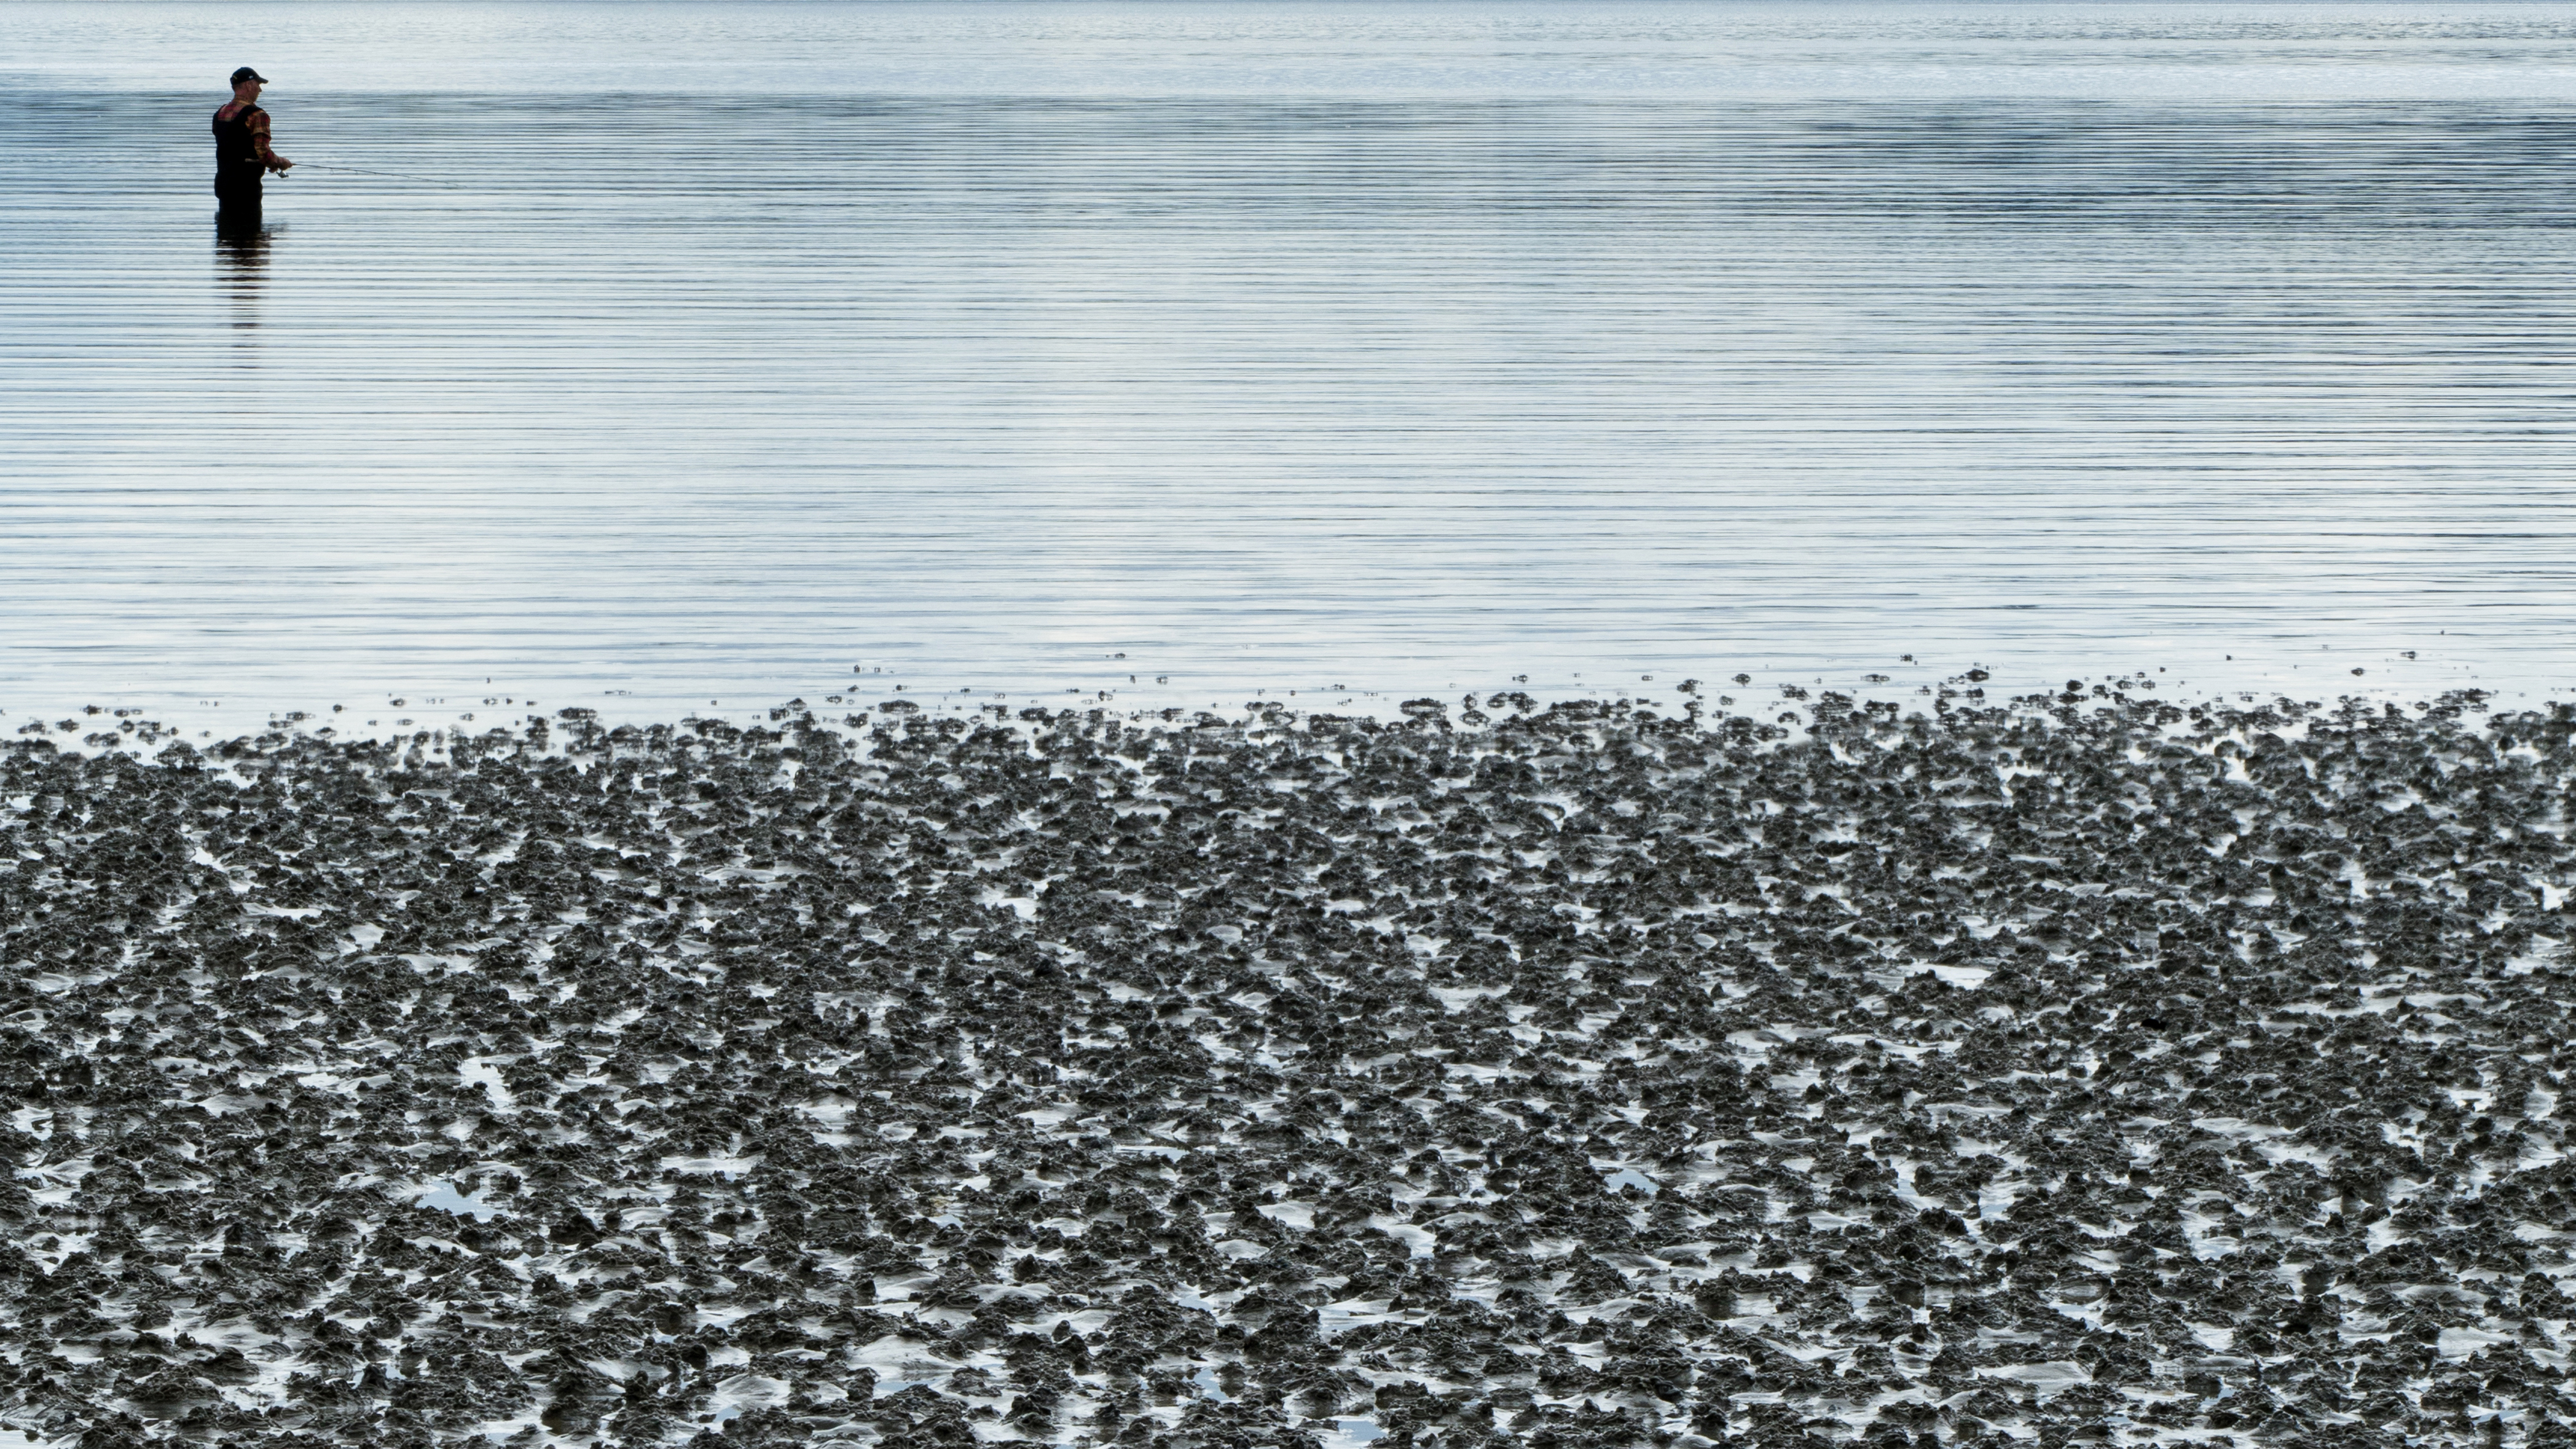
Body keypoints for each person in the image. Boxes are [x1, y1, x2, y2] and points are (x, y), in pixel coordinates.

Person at [213, 66, 291, 222]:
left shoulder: (220, 113)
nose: (260, 90)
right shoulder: (257, 115)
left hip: (224, 186)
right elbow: (263, 152)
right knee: (252, 240)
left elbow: (231, 146)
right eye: (258, 84)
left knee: (226, 239)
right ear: (249, 85)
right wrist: (280, 162)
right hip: (247, 190)